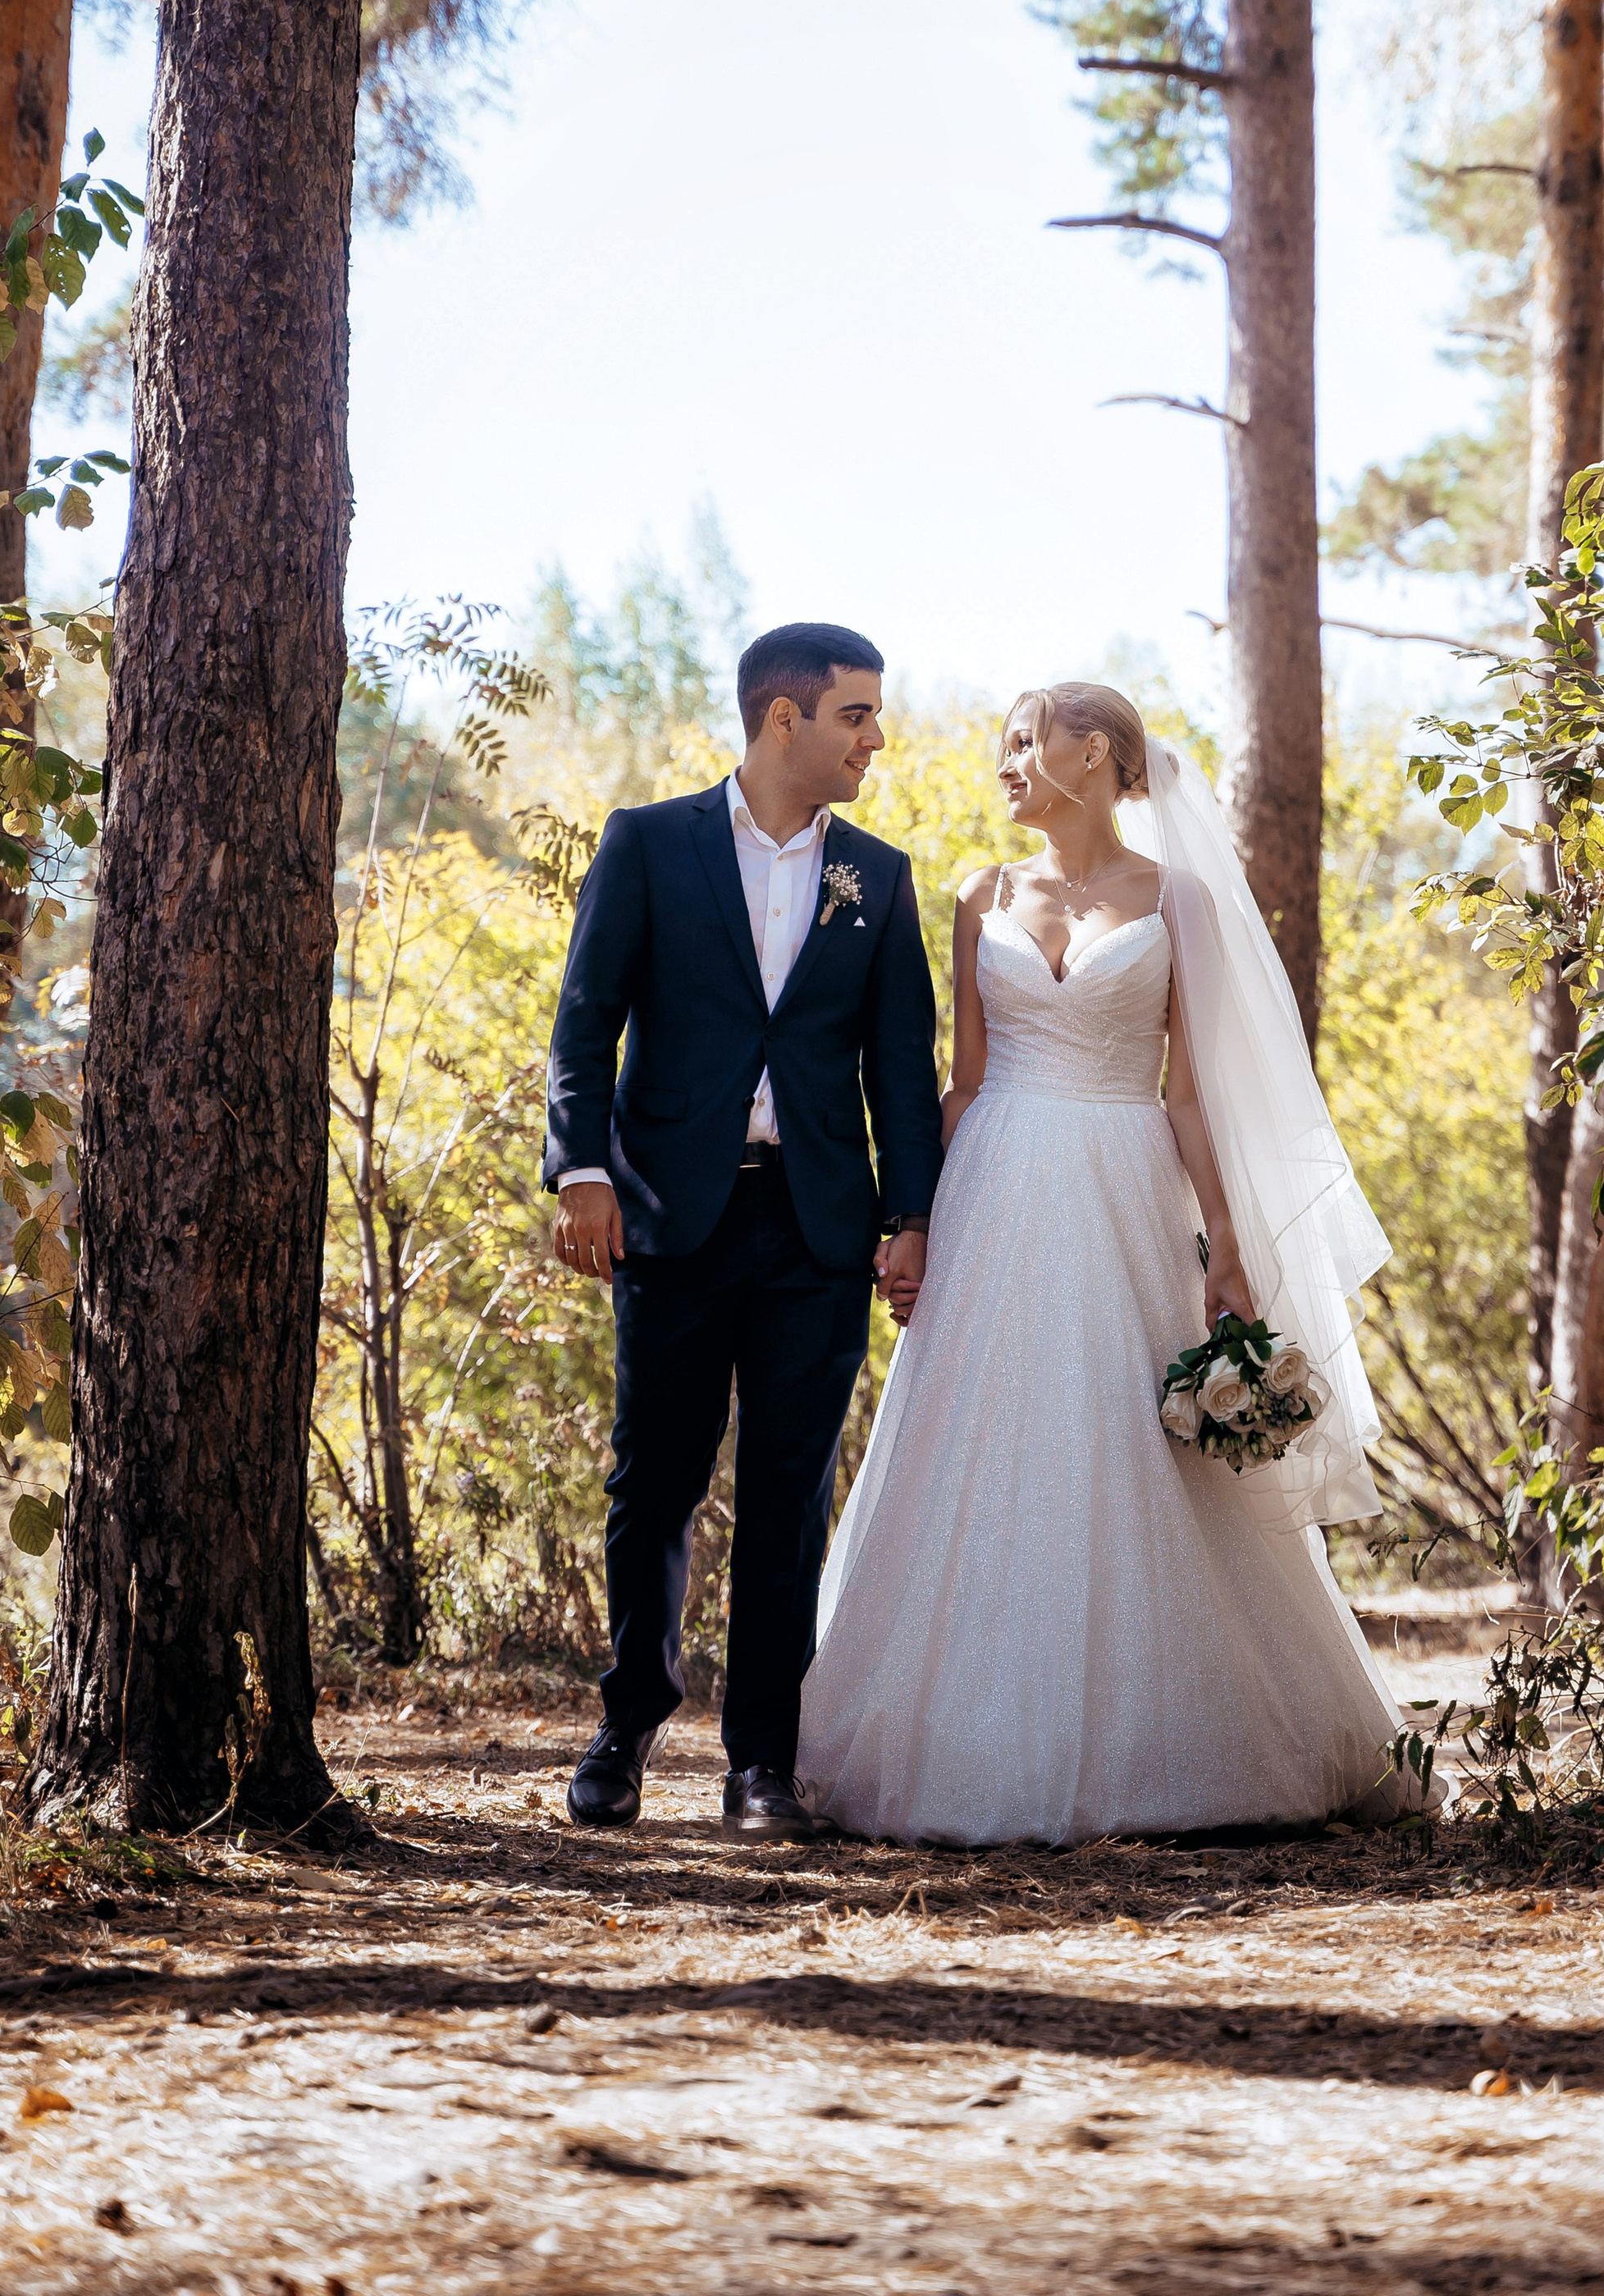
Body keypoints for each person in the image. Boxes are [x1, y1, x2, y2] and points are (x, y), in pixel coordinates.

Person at [795, 682, 1417, 1848]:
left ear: (1097, 752)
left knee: (1128, 1436)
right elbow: (964, 1080)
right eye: (1007, 744)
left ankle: (1183, 1741)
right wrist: (914, 1221)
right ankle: (966, 1739)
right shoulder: (980, 896)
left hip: (1130, 1180)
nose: (1008, 762)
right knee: (986, 1441)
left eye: (1027, 741)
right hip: (995, 1181)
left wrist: (1227, 1245)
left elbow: (1189, 1093)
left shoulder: (1172, 899)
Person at [543, 621, 943, 1840]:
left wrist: (911, 1216)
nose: (876, 737)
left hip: (816, 1229)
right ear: (787, 720)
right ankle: (625, 1732)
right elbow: (582, 1024)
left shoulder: (878, 875)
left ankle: (760, 1763)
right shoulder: (649, 844)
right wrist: (581, 1171)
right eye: (857, 715)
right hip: (669, 1219)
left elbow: (899, 1070)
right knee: (650, 1484)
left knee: (790, 1497)